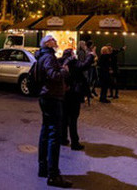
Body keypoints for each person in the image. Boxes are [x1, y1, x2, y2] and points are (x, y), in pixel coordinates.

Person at [36, 35, 72, 188]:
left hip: (45, 96)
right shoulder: (49, 57)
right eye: (54, 40)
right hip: (52, 97)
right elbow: (54, 75)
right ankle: (53, 175)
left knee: (45, 132)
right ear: (47, 43)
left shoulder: (42, 56)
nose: (56, 42)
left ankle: (43, 168)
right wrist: (64, 71)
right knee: (54, 136)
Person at [59, 48, 94, 150]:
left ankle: (63, 138)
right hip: (73, 93)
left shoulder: (59, 61)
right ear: (71, 54)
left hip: (62, 94)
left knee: (64, 117)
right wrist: (91, 55)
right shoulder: (73, 62)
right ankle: (75, 142)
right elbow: (84, 66)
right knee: (73, 118)